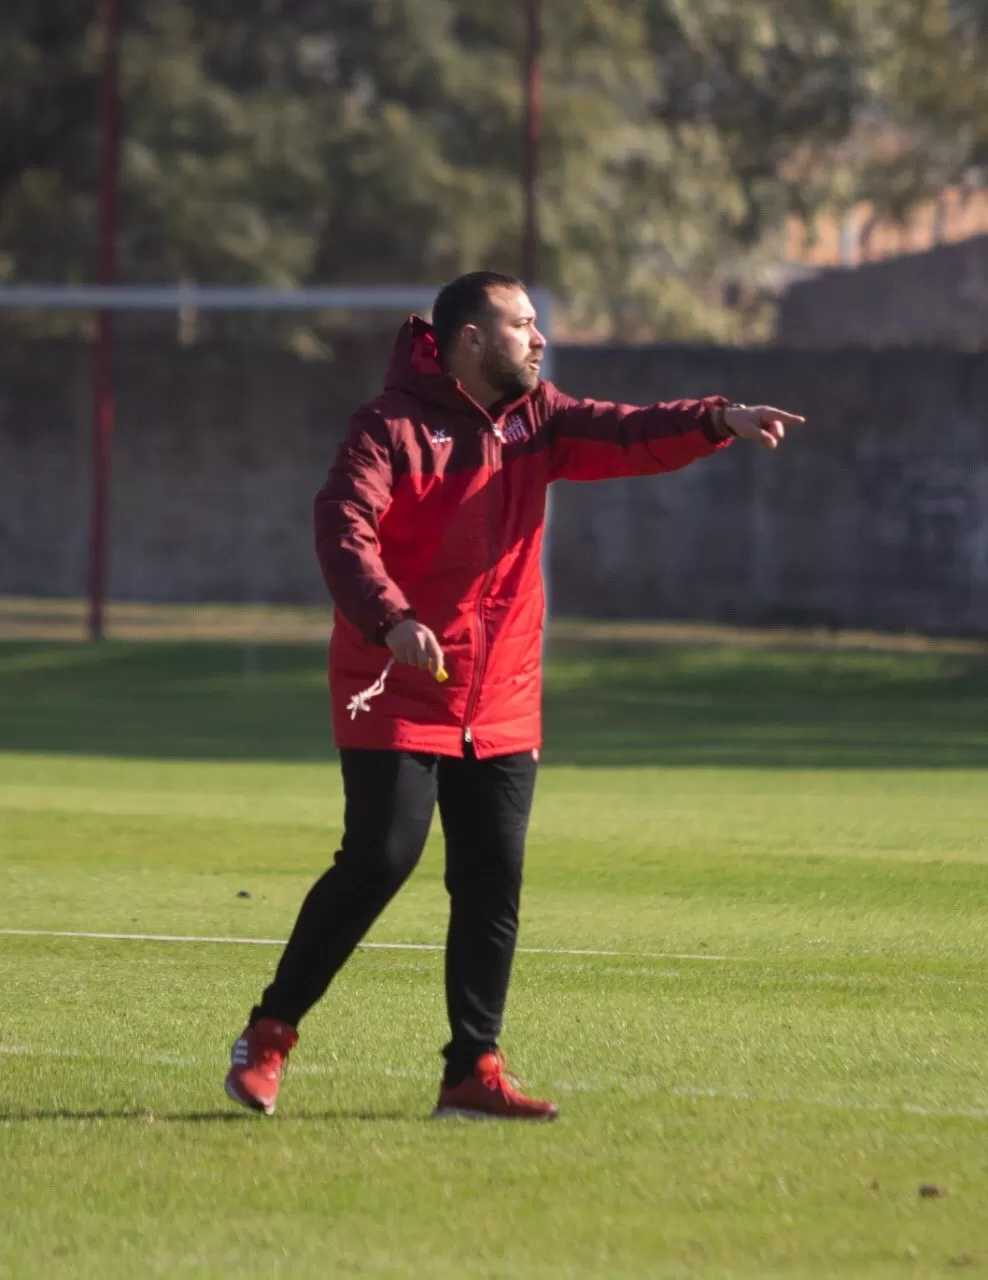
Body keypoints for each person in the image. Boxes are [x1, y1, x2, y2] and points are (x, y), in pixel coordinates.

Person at [224, 270, 804, 1121]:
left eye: (537, 325)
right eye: (523, 325)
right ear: (470, 340)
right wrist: (390, 619)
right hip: (397, 680)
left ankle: (472, 1071)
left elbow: (627, 431)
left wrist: (717, 418)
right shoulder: (389, 427)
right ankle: (269, 1034)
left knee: (492, 878)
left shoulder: (541, 418)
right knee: (383, 856)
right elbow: (341, 524)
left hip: (501, 695)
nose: (539, 339)